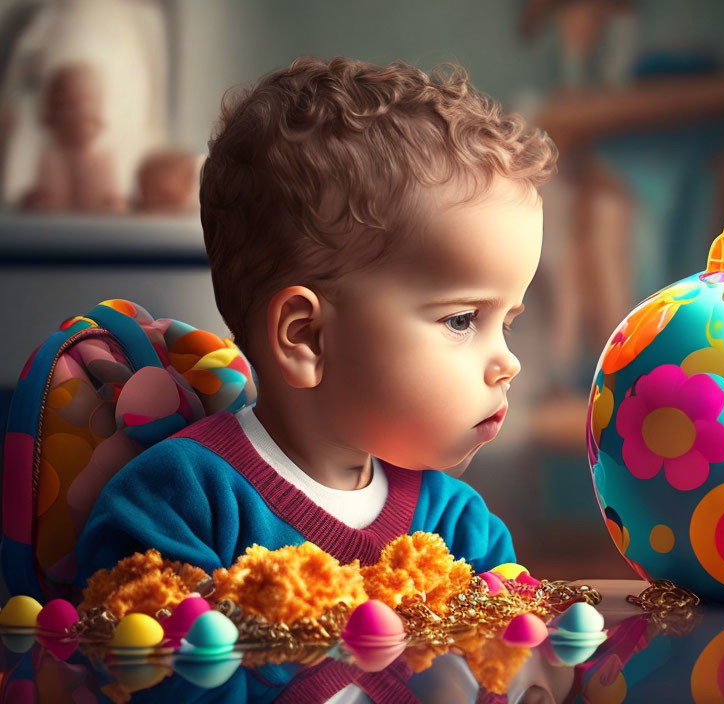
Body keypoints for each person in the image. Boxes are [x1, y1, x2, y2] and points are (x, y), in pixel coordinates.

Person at [76, 54, 555, 586]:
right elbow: (126, 651)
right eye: (463, 320)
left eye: (505, 322)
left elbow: (512, 659)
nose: (508, 363)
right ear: (306, 337)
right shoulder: (182, 501)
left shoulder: (465, 534)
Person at [20, 62, 126, 212]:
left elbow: (116, 205)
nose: (82, 111)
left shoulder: (105, 160)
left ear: (102, 115)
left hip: (96, 232)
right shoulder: (50, 158)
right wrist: (32, 200)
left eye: (91, 101)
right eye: (68, 104)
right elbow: (39, 205)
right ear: (49, 117)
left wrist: (117, 204)